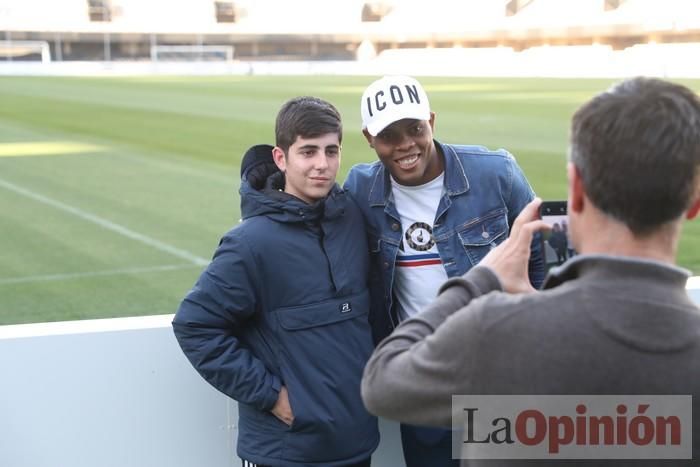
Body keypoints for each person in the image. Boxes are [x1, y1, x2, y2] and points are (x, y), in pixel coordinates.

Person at [360, 77, 700, 466]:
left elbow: (383, 383)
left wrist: (480, 282)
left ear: (575, 189)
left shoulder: (497, 331)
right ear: (693, 203)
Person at [344, 75, 545, 467]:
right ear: (369, 137)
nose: (405, 144)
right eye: (389, 135)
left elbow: (542, 252)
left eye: (415, 128)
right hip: (426, 377)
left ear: (431, 121)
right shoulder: (360, 188)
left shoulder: (496, 173)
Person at [172, 96, 379, 467]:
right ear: (281, 158)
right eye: (308, 151)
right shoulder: (250, 243)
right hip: (284, 453)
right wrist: (272, 396)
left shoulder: (351, 218)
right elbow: (195, 326)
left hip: (356, 445)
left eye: (332, 151)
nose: (322, 165)